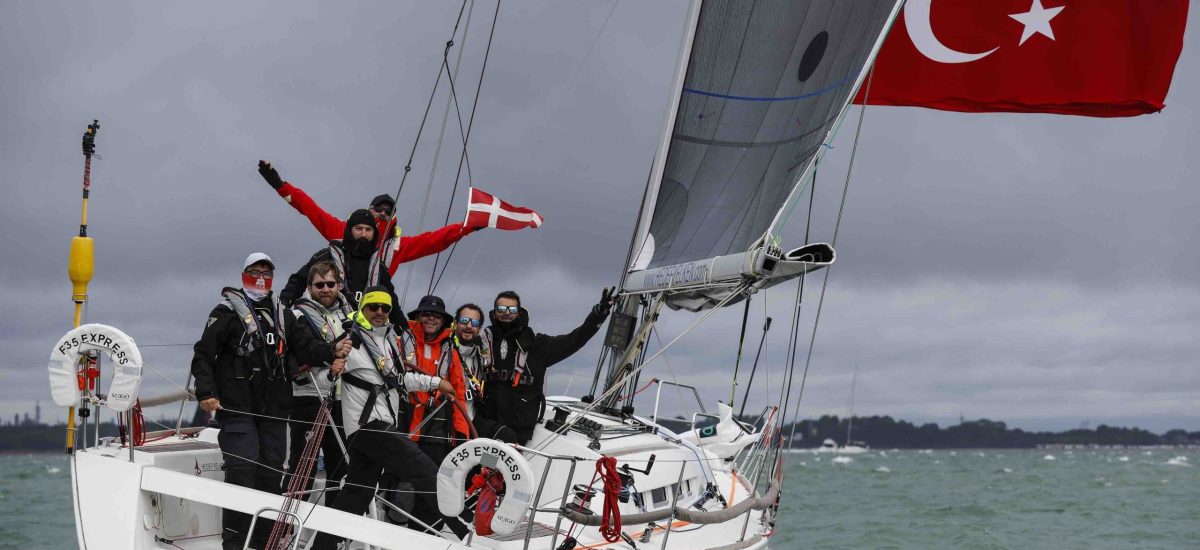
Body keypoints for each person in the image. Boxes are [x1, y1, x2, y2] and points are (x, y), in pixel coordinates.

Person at [191, 253, 349, 550]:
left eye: (267, 272)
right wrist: (205, 392)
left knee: (271, 475)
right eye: (255, 271)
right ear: (244, 274)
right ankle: (235, 544)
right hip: (237, 407)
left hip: (274, 408)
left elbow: (305, 347)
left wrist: (332, 351)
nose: (261, 276)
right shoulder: (225, 312)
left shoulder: (282, 314)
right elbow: (203, 355)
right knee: (242, 472)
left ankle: (265, 543)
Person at [312, 288, 459, 549]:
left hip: (379, 426)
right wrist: (332, 368)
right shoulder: (352, 340)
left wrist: (437, 382)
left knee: (357, 495)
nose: (380, 312)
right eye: (373, 307)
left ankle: (322, 546)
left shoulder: (388, 342)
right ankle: (465, 527)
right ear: (363, 310)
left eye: (385, 308)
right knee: (419, 464)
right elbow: (327, 377)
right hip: (367, 426)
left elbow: (401, 380)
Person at [258, 160, 472, 273]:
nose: (383, 213)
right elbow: (310, 208)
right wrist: (280, 185)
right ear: (369, 210)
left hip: (374, 311)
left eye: (389, 211)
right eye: (378, 208)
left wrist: (467, 226)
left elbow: (434, 241)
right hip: (337, 307)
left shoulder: (396, 247)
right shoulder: (341, 231)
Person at [478, 288, 615, 443]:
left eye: (511, 309)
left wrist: (599, 313)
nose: (506, 313)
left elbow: (575, 339)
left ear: (519, 313)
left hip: (517, 433)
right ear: (494, 312)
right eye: (501, 309)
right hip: (485, 428)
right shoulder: (481, 343)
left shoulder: (537, 346)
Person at [286, 260, 353, 506]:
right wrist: (333, 351)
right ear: (309, 287)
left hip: (342, 399)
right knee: (303, 468)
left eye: (330, 284)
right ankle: (287, 530)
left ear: (339, 285)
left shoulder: (350, 313)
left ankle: (333, 537)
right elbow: (304, 350)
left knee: (340, 468)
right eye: (319, 285)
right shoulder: (297, 314)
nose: (325, 289)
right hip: (309, 396)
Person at [279, 208, 404, 323]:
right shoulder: (328, 255)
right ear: (350, 230)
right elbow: (299, 280)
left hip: (365, 329)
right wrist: (283, 307)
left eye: (368, 229)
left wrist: (403, 327)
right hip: (329, 322)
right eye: (359, 228)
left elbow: (391, 298)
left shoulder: (378, 266)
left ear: (374, 233)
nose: (364, 234)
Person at [401, 295, 471, 461]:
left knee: (432, 475)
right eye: (426, 314)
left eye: (437, 316)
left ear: (443, 322)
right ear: (417, 317)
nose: (431, 318)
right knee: (396, 477)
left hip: (436, 422)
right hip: (404, 417)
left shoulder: (450, 352)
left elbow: (458, 393)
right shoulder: (400, 341)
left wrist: (461, 431)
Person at [453, 303, 518, 442]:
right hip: (446, 418)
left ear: (479, 328)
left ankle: (487, 464)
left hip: (472, 417)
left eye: (474, 323)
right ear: (455, 323)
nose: (469, 326)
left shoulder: (481, 355)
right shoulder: (444, 349)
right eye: (464, 321)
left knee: (506, 437)